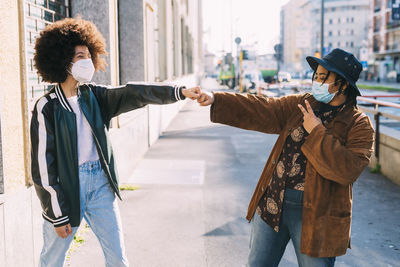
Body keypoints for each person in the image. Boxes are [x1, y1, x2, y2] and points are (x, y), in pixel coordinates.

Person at [30, 17, 200, 267]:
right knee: (52, 261)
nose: (87, 61)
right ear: (63, 61)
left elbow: (135, 93)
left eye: (89, 55)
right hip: (66, 189)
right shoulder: (46, 107)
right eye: (80, 56)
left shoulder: (95, 96)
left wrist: (179, 92)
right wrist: (57, 214)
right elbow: (43, 167)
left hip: (100, 183)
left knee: (118, 260)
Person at [197, 48, 374, 267]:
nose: (316, 82)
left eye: (322, 77)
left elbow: (348, 170)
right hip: (273, 200)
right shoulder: (303, 104)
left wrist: (317, 131)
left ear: (344, 84)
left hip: (318, 216)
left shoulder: (359, 124)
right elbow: (264, 108)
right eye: (315, 76)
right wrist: (216, 99)